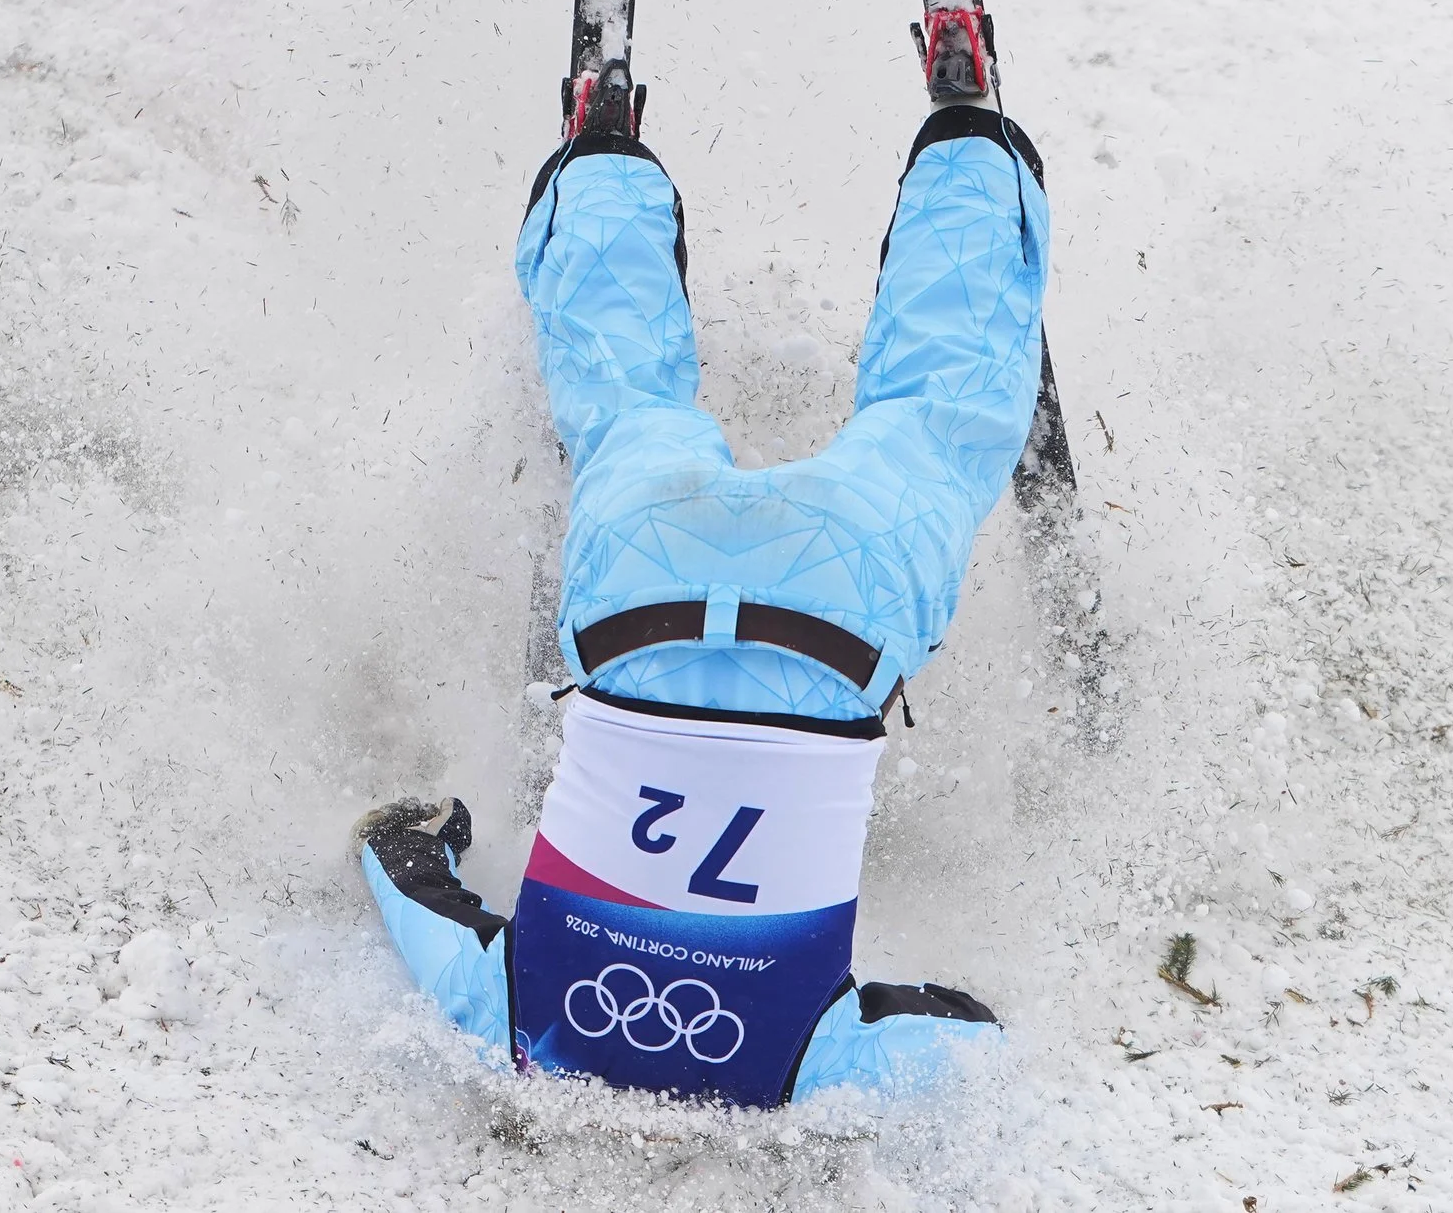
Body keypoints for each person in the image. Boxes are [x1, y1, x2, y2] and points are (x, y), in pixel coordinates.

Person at [354, 57, 1048, 1108]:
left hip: (841, 601)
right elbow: (398, 863)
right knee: (623, 405)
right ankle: (600, 162)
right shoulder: (506, 1016)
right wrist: (431, 828)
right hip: (641, 583)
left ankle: (971, 155)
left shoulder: (803, 1070)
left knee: (937, 424)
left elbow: (966, 1032)